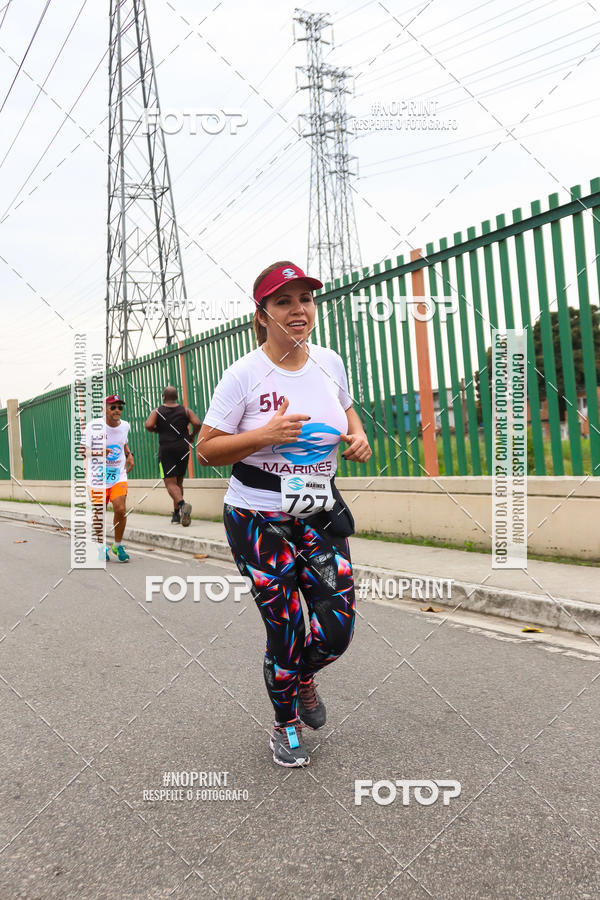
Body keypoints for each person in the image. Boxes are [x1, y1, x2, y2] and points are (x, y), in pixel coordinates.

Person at [196, 260, 372, 767]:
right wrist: (264, 436)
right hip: (257, 518)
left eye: (306, 300)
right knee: (287, 629)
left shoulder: (329, 362)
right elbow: (206, 451)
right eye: (284, 301)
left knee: (336, 629)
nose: (299, 310)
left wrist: (356, 436)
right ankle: (284, 723)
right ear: (262, 314)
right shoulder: (244, 375)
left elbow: (346, 409)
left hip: (317, 511)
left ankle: (302, 677)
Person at [81, 394, 134, 562]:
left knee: (120, 509)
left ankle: (117, 546)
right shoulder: (92, 427)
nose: (117, 410)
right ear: (104, 409)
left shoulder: (125, 426)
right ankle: (100, 546)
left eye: (120, 407)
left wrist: (129, 454)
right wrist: (99, 452)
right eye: (113, 407)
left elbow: (122, 442)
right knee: (99, 512)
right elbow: (82, 451)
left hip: (117, 474)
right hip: (97, 477)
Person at [145, 387, 201, 526]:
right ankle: (176, 515)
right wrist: (192, 436)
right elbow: (197, 423)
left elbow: (148, 424)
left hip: (166, 450)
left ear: (163, 396)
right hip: (182, 448)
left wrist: (156, 430)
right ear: (176, 397)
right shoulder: (186, 411)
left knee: (170, 483)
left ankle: (182, 505)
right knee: (178, 482)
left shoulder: (158, 411)